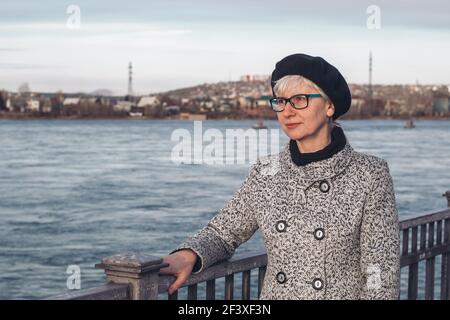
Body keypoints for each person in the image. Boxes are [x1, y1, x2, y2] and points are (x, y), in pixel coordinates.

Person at [160, 53, 400, 299]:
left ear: (329, 106)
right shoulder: (266, 173)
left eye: (299, 100)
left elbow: (379, 274)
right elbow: (223, 233)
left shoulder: (370, 174)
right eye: (280, 102)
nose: (287, 111)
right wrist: (188, 255)